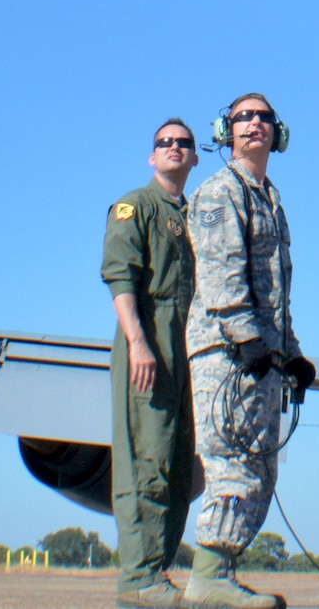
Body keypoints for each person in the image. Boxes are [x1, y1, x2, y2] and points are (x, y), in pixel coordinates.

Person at [182, 93, 317, 609]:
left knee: (261, 468)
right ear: (226, 131)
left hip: (261, 353)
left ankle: (223, 576)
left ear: (277, 133)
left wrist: (292, 352)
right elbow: (219, 273)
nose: (255, 124)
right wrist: (245, 336)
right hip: (227, 352)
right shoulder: (220, 190)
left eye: (264, 117)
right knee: (232, 462)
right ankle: (208, 580)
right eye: (244, 118)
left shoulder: (270, 198)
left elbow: (274, 288)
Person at [102, 119, 201, 608]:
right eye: (165, 143)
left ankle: (157, 575)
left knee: (182, 464)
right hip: (151, 334)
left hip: (190, 343)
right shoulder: (134, 207)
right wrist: (138, 341)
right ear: (151, 156)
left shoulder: (199, 214)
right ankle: (138, 579)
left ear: (196, 157)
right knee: (148, 457)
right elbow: (121, 277)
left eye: (184, 143)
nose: (175, 149)